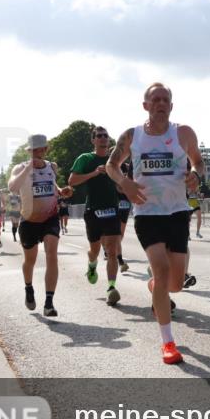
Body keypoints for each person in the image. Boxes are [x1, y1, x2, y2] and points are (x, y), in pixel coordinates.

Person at [106, 82, 205, 365]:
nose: (161, 103)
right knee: (161, 271)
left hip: (177, 213)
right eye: (155, 99)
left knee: (175, 284)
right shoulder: (132, 136)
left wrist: (196, 175)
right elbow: (112, 165)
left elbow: (198, 162)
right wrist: (123, 181)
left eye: (166, 99)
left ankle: (155, 288)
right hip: (147, 214)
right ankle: (168, 342)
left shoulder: (183, 133)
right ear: (146, 105)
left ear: (171, 106)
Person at [9, 134, 74, 317]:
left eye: (42, 149)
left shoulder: (51, 166)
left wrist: (62, 191)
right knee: (30, 260)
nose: (39, 152)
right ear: (29, 151)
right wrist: (28, 168)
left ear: (46, 149)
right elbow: (13, 187)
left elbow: (52, 185)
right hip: (29, 221)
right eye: (35, 150)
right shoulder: (20, 168)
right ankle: (29, 288)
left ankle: (49, 302)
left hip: (50, 219)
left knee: (52, 255)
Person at [69, 126, 122, 306]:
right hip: (93, 210)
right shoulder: (85, 158)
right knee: (95, 250)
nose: (102, 138)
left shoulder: (114, 160)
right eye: (99, 136)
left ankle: (111, 287)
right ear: (93, 140)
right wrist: (95, 173)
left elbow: (121, 184)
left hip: (112, 209)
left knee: (112, 251)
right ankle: (92, 264)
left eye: (105, 136)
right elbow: (72, 181)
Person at [114, 160, 132, 273]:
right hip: (114, 201)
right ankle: (119, 259)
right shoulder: (111, 167)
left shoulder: (128, 167)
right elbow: (118, 187)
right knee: (115, 233)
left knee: (121, 233)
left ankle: (113, 250)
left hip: (125, 202)